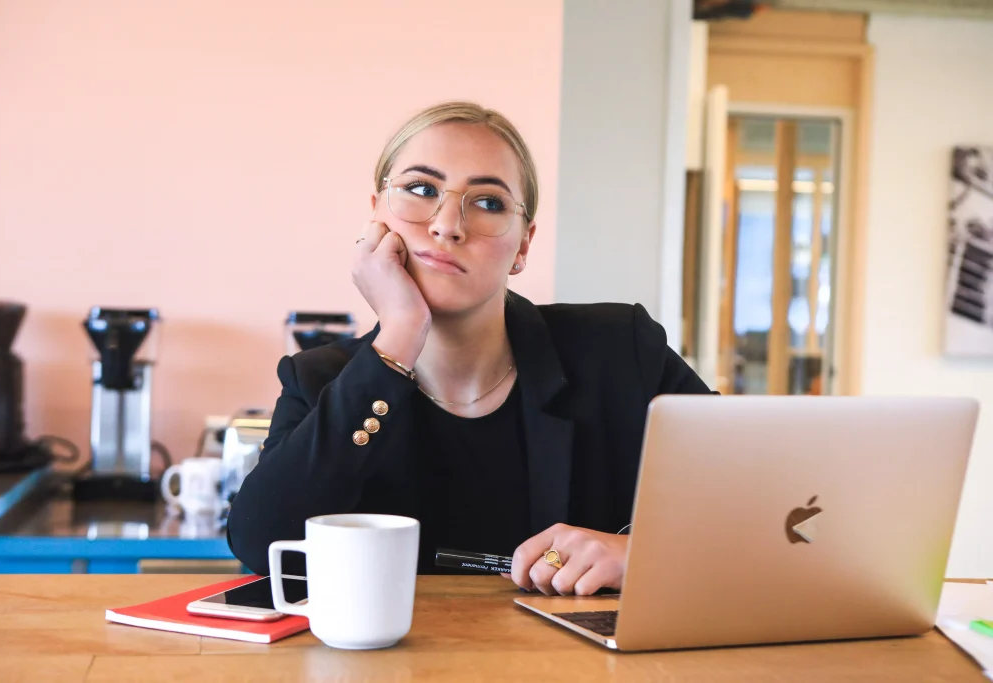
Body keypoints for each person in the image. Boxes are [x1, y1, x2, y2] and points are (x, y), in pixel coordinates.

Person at [227, 101, 712, 597]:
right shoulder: (319, 379)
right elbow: (262, 543)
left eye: (488, 203)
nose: (447, 225)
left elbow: (765, 502)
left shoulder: (619, 349)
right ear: (375, 214)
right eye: (421, 190)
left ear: (523, 245)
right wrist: (398, 335)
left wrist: (643, 554)